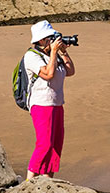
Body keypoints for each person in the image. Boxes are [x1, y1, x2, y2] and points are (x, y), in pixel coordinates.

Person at [23, 20, 76, 182]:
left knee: (55, 144)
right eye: (49, 37)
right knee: (44, 143)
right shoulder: (31, 56)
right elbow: (48, 74)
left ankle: (47, 180)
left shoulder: (53, 56)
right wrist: (53, 53)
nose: (52, 40)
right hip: (41, 104)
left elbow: (70, 71)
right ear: (40, 40)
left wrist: (63, 53)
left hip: (57, 104)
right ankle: (29, 180)